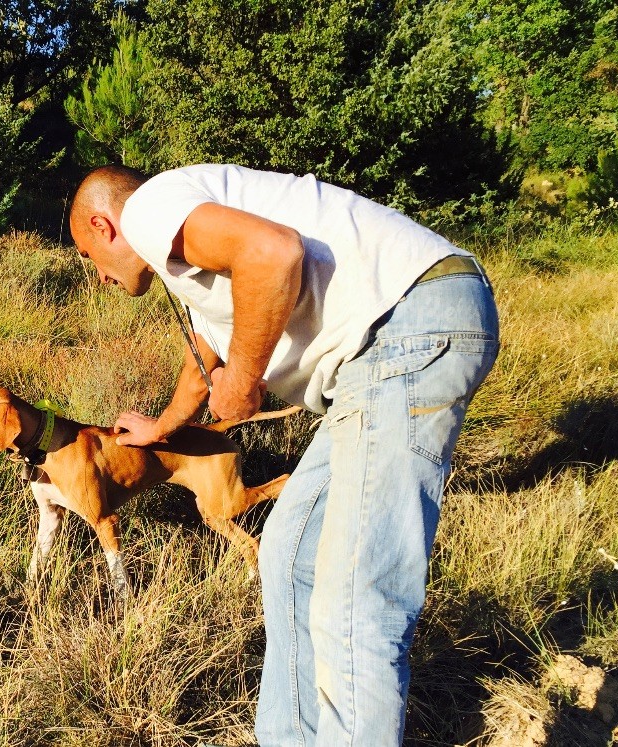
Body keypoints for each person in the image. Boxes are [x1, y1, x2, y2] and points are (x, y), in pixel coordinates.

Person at [68, 163, 499, 746]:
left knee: (355, 596)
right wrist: (162, 427)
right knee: (290, 551)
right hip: (386, 347)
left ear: (104, 225)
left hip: (408, 323)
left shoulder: (148, 210)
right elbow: (207, 360)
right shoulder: (190, 249)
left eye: (88, 255)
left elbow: (273, 254)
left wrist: (246, 379)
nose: (97, 276)